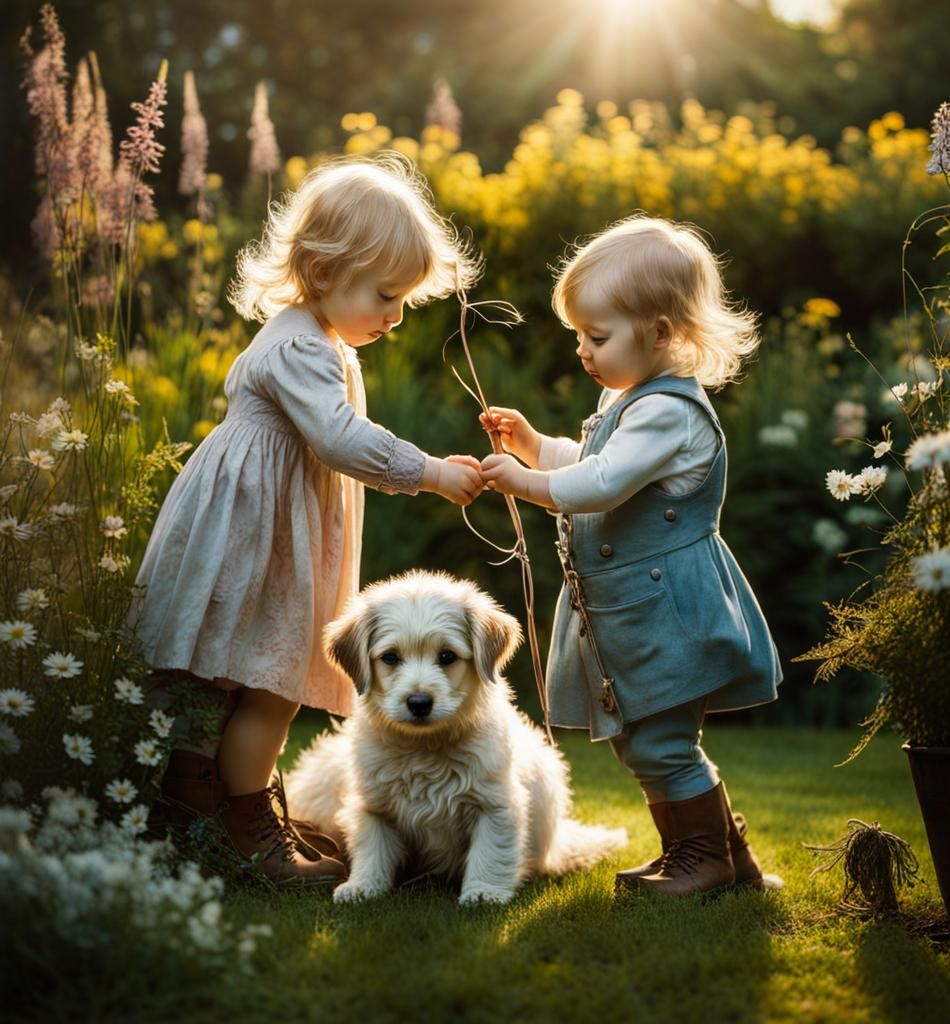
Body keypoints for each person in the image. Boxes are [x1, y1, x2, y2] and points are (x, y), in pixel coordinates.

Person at [130, 154, 485, 886]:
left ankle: (203, 817)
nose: (394, 316)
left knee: (232, 677)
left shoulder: (317, 340)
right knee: (270, 684)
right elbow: (339, 439)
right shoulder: (298, 345)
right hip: (253, 537)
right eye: (385, 295)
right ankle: (244, 828)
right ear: (323, 272)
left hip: (263, 535)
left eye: (403, 300)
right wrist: (431, 472)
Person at [479, 216, 782, 897]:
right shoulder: (628, 400)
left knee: (660, 740)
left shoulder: (668, 412)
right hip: (634, 607)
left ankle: (703, 858)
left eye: (598, 337)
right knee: (645, 738)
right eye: (579, 337)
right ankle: (718, 856)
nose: (584, 352)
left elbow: (604, 483)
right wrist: (535, 447)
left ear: (661, 332)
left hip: (665, 609)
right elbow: (594, 462)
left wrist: (526, 483)